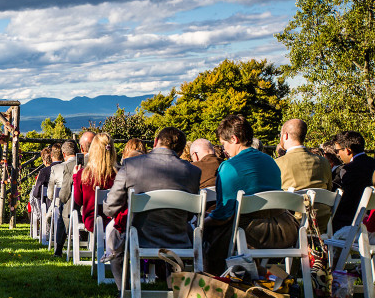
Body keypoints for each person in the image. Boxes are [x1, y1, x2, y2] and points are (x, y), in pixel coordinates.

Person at [203, 115, 298, 275]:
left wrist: (202, 223)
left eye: (224, 144)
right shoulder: (270, 161)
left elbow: (223, 215)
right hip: (285, 230)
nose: (224, 149)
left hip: (253, 234)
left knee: (209, 233)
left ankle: (214, 285)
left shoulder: (229, 167)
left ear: (234, 139)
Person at [103, 127, 201, 278]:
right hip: (178, 237)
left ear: (155, 142)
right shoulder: (193, 172)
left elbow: (110, 208)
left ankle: (125, 290)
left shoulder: (131, 165)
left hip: (138, 236)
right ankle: (177, 284)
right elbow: (190, 215)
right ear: (181, 150)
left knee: (115, 237)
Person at [274, 119, 332, 227]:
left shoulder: (278, 163)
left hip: (292, 224)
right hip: (322, 222)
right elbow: (329, 189)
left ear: (285, 136)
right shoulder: (324, 162)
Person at [73, 133, 119, 234]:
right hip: (115, 221)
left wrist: (75, 177)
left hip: (92, 221)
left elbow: (78, 200)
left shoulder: (84, 174)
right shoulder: (118, 175)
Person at [331, 131, 375, 231]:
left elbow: (346, 201)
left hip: (352, 222)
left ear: (347, 150)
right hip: (371, 220)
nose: (338, 154)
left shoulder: (348, 169)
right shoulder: (373, 163)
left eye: (337, 151)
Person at [47, 140, 78, 256]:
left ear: (64, 154)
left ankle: (58, 249)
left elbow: (64, 193)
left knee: (62, 210)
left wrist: (58, 199)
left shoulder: (67, 166)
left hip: (73, 208)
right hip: (92, 206)